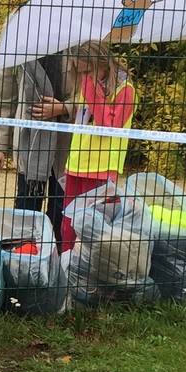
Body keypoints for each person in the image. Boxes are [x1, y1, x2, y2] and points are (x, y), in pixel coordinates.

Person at [0, 49, 75, 242]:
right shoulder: (17, 37)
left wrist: (63, 108)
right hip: (29, 145)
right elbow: (4, 100)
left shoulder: (75, 34)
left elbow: (89, 93)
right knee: (26, 213)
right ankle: (23, 256)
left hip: (67, 146)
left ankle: (57, 258)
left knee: (61, 214)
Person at [56, 40, 136, 249]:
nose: (84, 77)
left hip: (102, 167)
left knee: (93, 228)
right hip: (76, 163)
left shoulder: (124, 89)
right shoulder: (88, 82)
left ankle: (89, 269)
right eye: (81, 73)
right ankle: (66, 263)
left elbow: (108, 125)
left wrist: (92, 91)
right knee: (69, 226)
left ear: (102, 64)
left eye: (87, 72)